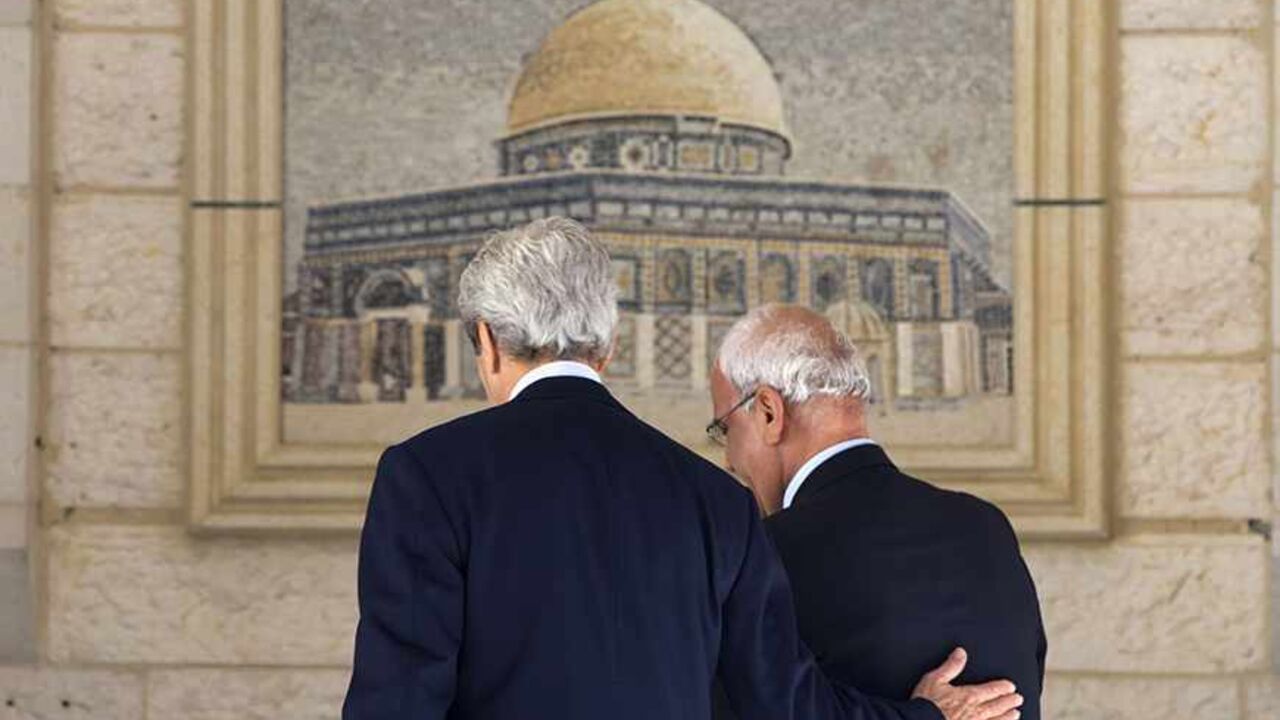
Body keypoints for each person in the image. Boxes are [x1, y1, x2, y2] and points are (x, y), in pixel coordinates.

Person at [342, 217, 1025, 720]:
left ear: (487, 342)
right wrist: (931, 717)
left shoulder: (425, 474)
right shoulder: (712, 499)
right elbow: (782, 704)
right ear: (607, 345)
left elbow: (396, 702)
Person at [708, 305, 1046, 720]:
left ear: (768, 412)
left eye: (725, 429)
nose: (728, 459)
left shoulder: (762, 552)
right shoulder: (985, 526)